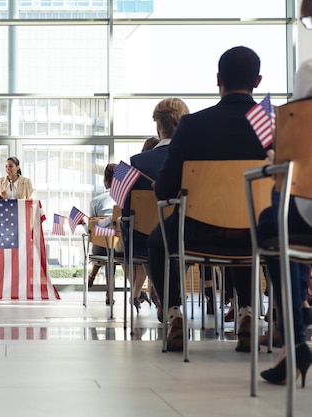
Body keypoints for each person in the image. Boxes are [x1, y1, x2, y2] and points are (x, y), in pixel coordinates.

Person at [147, 46, 266, 352]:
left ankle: (173, 314)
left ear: (218, 79)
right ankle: (250, 314)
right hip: (258, 232)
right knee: (246, 224)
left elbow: (166, 188)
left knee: (157, 240)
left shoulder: (193, 125)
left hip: (196, 231)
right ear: (258, 81)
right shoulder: (271, 123)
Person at [256, 0, 312, 385]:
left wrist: (277, 154)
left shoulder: (309, 71)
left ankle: (293, 342)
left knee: (273, 218)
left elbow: (299, 151)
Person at [121, 98, 190, 315]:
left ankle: (161, 290)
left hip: (145, 240)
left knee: (152, 237)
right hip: (190, 237)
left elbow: (126, 208)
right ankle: (170, 293)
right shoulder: (196, 160)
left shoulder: (137, 162)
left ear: (158, 127)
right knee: (178, 244)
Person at [87, 162, 117, 299]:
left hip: (100, 247)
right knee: (113, 247)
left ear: (105, 180)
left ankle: (92, 276)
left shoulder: (95, 201)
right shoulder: (124, 201)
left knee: (105, 242)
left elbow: (92, 228)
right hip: (120, 247)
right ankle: (109, 293)